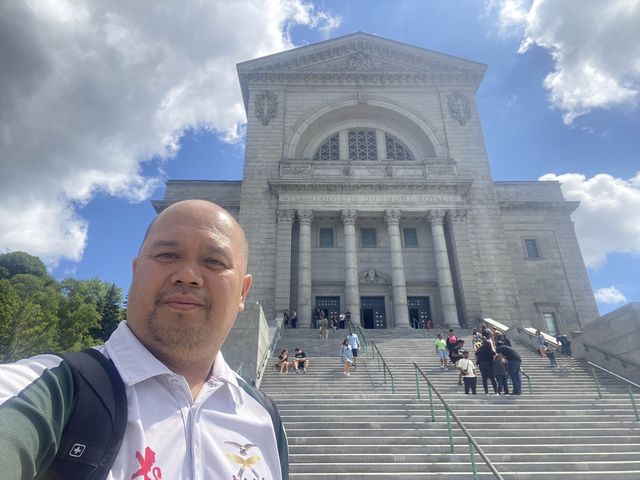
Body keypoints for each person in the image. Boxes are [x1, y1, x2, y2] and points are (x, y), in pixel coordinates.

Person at [0, 199, 287, 479]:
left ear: (243, 293)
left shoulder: (265, 420)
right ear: (135, 272)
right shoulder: (48, 388)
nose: (188, 276)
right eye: (167, 255)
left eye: (214, 261)